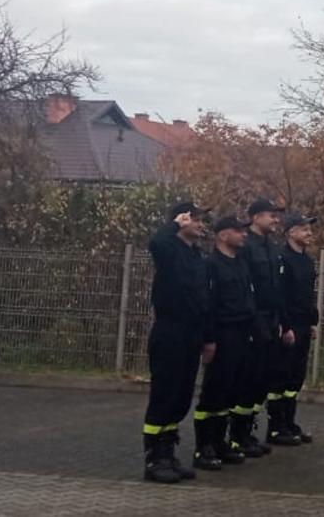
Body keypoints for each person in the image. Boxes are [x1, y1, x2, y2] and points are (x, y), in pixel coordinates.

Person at [140, 202, 210, 484]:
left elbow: (202, 298)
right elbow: (155, 243)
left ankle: (168, 452)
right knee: (164, 395)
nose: (202, 224)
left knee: (180, 397)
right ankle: (154, 458)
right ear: (182, 220)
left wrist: (205, 336)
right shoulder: (168, 249)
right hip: (170, 331)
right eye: (196, 219)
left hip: (191, 333)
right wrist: (174, 225)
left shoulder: (195, 255)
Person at [194, 216, 257, 471]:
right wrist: (209, 340)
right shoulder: (211, 265)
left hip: (242, 332)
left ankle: (220, 441)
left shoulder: (240, 263)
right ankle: (204, 446)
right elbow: (207, 306)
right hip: (222, 333)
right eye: (238, 230)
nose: (244, 234)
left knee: (231, 390)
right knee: (214, 390)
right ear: (223, 235)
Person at [237, 198, 287, 456]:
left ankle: (248, 431)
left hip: (271, 320)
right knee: (248, 378)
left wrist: (279, 321)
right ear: (255, 217)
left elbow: (276, 287)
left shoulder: (272, 247)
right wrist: (255, 321)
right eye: (271, 215)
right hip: (253, 321)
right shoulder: (245, 246)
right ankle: (237, 435)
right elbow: (246, 287)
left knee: (263, 379)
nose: (276, 220)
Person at [269, 212, 321, 445]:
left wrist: (312, 322)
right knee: (281, 376)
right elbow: (280, 296)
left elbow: (307, 295)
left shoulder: (307, 261)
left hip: (303, 324)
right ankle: (276, 427)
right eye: (304, 229)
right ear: (291, 232)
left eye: (310, 229)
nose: (309, 233)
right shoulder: (282, 258)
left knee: (295, 378)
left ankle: (289, 423)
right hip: (288, 326)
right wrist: (286, 326)